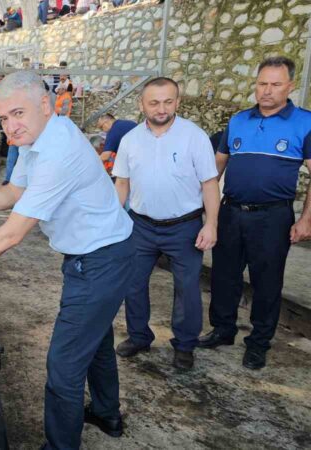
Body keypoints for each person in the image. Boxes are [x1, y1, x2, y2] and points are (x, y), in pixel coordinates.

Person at [0, 70, 133, 449]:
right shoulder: (35, 142)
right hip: (95, 255)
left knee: (64, 367)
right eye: (4, 118)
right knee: (96, 340)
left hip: (102, 260)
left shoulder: (59, 151)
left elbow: (12, 232)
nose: (10, 126)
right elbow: (12, 193)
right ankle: (107, 413)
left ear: (44, 104)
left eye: (18, 113)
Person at [199, 56, 311, 370]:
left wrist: (306, 219)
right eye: (262, 83)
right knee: (224, 276)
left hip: (272, 218)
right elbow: (216, 168)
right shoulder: (238, 121)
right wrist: (208, 213)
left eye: (276, 84)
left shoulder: (305, 122)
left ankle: (259, 342)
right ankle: (222, 329)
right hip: (231, 212)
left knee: (267, 282)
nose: (267, 90)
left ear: (291, 85)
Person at [112, 77, 220, 371]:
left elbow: (210, 183)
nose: (161, 108)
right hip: (141, 226)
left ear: (178, 102)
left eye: (168, 101)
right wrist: (113, 220)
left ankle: (185, 345)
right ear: (142, 104)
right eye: (154, 102)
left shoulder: (194, 137)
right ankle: (138, 336)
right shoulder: (130, 140)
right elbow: (122, 182)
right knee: (133, 284)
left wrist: (211, 225)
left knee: (187, 287)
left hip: (184, 227)